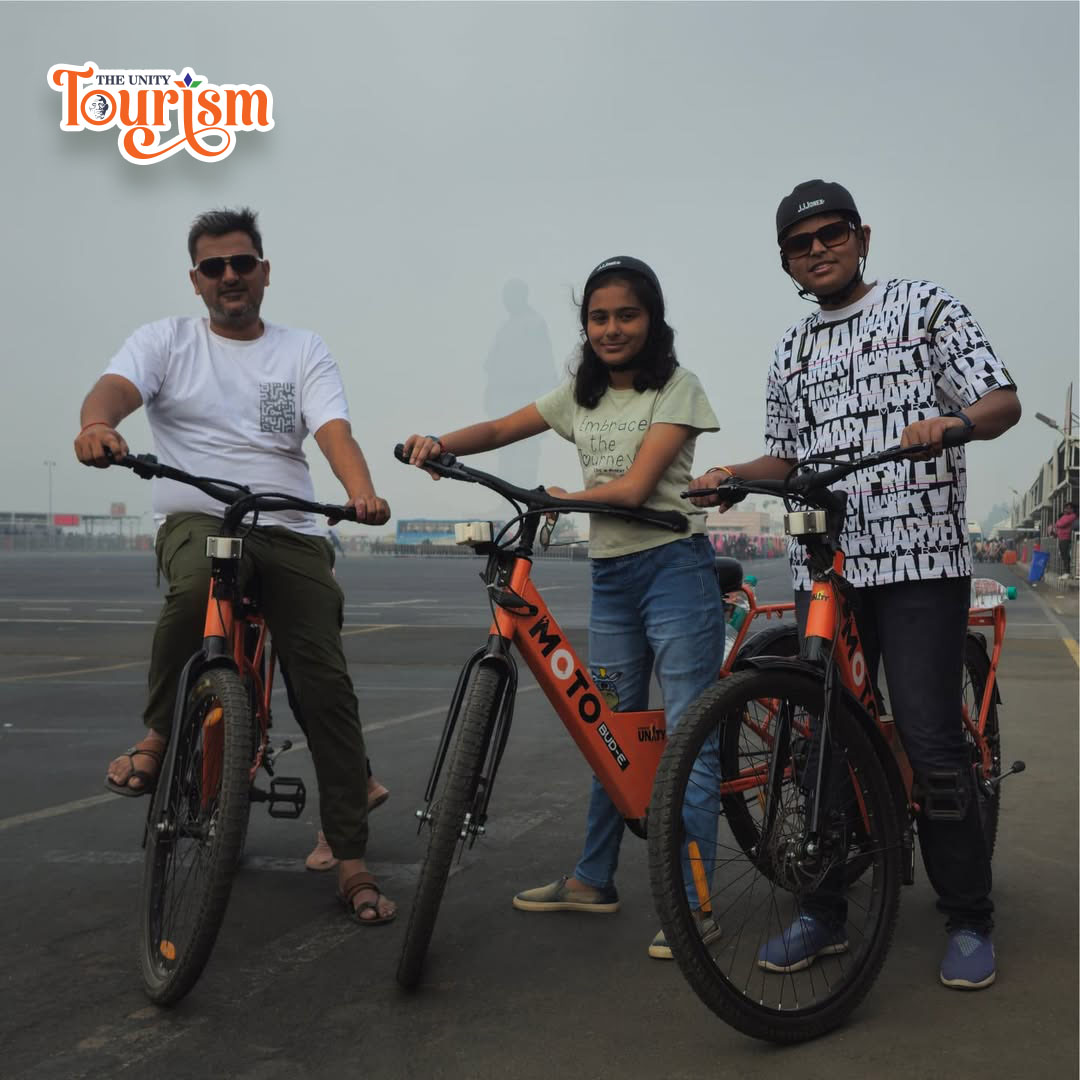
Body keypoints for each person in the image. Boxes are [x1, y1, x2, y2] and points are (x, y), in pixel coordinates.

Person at [691, 179, 1021, 989]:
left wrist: (952, 423)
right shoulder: (791, 349)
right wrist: (736, 473)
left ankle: (969, 915)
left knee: (931, 737)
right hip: (827, 568)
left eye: (831, 234)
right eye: (799, 245)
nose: (818, 251)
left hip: (920, 563)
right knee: (819, 738)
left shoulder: (924, 306)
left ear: (861, 236)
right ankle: (825, 910)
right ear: (787, 263)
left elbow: (1004, 401)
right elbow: (788, 458)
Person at [74, 207, 396, 925]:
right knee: (193, 590)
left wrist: (360, 492)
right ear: (197, 280)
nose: (230, 277)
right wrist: (99, 425)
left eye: (242, 263)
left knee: (324, 681)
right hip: (200, 518)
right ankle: (160, 733)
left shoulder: (301, 350)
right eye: (214, 267)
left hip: (287, 525)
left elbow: (332, 429)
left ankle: (350, 856)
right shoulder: (165, 341)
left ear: (264, 271)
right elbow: (115, 390)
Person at [402, 256, 724, 959]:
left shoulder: (678, 387)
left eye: (626, 316)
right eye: (599, 317)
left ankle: (696, 904)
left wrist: (558, 499)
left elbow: (637, 489)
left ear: (652, 320)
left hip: (674, 571)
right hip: (612, 576)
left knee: (688, 736)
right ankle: (592, 879)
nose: (611, 329)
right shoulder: (577, 396)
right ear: (585, 325)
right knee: (607, 728)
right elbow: (498, 429)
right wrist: (437, 446)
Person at [1053, 501, 1077, 577]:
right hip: (1061, 537)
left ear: (1072, 509)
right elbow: (1057, 523)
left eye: (1068, 508)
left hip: (1066, 538)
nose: (1066, 509)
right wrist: (1058, 524)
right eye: (1066, 508)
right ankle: (1066, 571)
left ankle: (1067, 572)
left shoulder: (1072, 516)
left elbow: (1061, 524)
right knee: (1063, 555)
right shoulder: (1064, 516)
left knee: (1066, 555)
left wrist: (1058, 523)